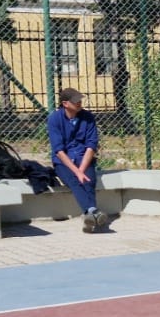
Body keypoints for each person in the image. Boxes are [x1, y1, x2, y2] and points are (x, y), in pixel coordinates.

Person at [47, 87, 108, 233]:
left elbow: (91, 145)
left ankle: (89, 217)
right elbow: (59, 151)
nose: (79, 103)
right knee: (74, 181)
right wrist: (76, 172)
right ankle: (93, 212)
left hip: (83, 159)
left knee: (89, 180)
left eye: (80, 100)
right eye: (76, 101)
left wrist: (81, 170)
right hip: (63, 162)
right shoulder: (54, 119)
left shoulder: (88, 117)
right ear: (65, 104)